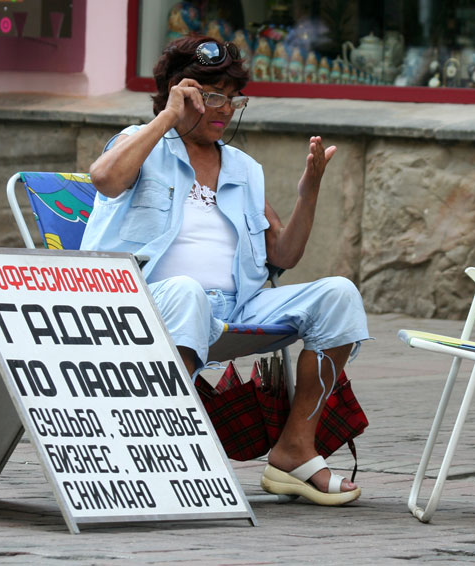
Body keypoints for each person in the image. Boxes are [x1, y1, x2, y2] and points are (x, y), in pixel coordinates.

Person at [80, 36, 370, 506]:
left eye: (233, 98)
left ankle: (294, 449)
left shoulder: (242, 168)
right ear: (181, 91)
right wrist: (167, 118)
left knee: (338, 293)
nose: (225, 109)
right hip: (146, 298)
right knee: (189, 291)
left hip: (234, 307)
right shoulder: (141, 142)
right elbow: (105, 179)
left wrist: (308, 191)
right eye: (213, 95)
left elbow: (285, 254)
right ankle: (167, 450)